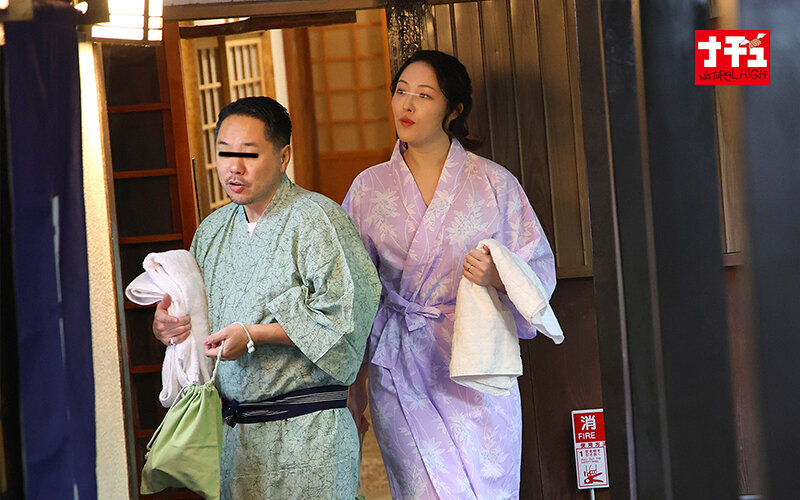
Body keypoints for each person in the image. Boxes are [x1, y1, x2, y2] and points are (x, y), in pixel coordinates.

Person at [342, 50, 557, 499]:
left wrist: (498, 277)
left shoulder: (494, 183)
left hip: (477, 366)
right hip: (399, 364)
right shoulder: (368, 188)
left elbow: (537, 267)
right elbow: (353, 292)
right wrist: (354, 382)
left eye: (424, 95)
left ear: (453, 109)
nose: (407, 105)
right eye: (401, 92)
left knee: (487, 490)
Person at [152, 96, 381, 499]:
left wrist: (256, 334)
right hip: (237, 439)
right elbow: (198, 319)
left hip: (309, 432)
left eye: (249, 154)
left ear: (283, 156)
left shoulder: (317, 218)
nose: (234, 168)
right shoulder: (211, 231)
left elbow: (347, 317)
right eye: (224, 153)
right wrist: (170, 326)